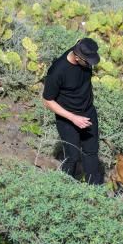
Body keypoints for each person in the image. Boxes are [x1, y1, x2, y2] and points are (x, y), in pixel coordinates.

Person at [42, 38, 103, 185]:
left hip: (88, 111)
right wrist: (73, 118)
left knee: (91, 152)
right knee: (72, 156)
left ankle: (94, 193)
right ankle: (64, 189)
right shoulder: (58, 71)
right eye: (87, 61)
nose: (90, 64)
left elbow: (79, 40)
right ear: (76, 57)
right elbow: (47, 101)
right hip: (67, 118)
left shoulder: (81, 49)